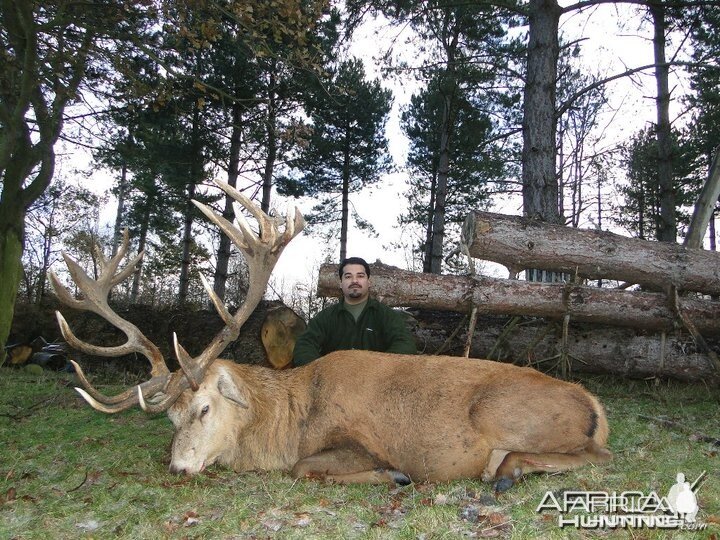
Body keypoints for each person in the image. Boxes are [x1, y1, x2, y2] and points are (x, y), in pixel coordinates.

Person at [293, 257, 417, 366]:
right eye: (348, 276)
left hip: (375, 385)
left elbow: (405, 344)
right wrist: (321, 372)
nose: (354, 281)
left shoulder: (385, 315)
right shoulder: (326, 317)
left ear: (369, 282)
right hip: (335, 385)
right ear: (341, 284)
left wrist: (379, 368)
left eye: (360, 276)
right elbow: (305, 345)